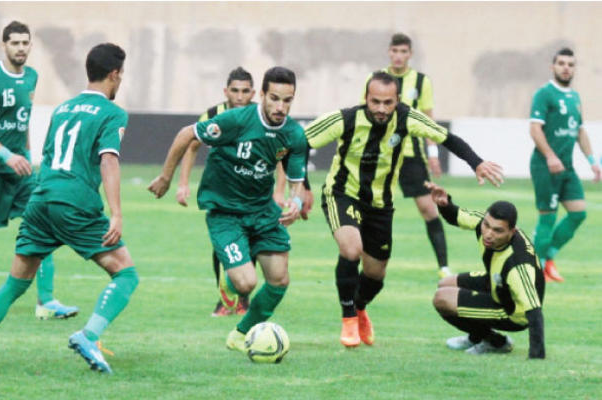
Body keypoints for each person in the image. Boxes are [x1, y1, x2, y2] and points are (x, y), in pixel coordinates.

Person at [0, 43, 138, 374]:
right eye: (122, 74)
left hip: (40, 199)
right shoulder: (113, 113)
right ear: (114, 74)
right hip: (75, 201)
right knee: (126, 273)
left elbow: (50, 154)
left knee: (15, 282)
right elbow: (108, 160)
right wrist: (116, 213)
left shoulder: (63, 109)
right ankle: (88, 336)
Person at [305, 71, 503, 348]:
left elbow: (446, 138)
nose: (381, 108)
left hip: (380, 204)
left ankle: (360, 308)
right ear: (366, 98)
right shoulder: (346, 119)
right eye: (375, 102)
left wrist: (476, 162)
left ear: (397, 100)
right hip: (342, 194)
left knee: (376, 275)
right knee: (351, 249)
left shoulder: (407, 117)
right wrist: (302, 186)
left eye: (388, 102)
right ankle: (348, 317)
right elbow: (300, 142)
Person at [149, 66, 307, 352]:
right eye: (274, 98)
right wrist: (166, 178)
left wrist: (295, 203)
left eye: (287, 100)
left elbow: (297, 182)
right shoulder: (237, 120)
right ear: (262, 95)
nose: (280, 107)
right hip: (226, 213)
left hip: (262, 212)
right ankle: (231, 277)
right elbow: (186, 135)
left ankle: (240, 334)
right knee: (246, 284)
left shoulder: (294, 134)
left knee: (279, 281)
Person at [0, 21, 78, 320]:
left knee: (44, 225)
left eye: (25, 43)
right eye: (15, 43)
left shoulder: (31, 77)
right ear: (3, 45)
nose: (21, 48)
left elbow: (22, 119)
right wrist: (6, 154)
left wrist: (26, 155)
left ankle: (46, 301)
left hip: (21, 170)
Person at [361, 33, 450, 278]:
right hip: (381, 155)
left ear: (410, 54)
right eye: (395, 51)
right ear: (389, 52)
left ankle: (443, 267)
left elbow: (429, 120)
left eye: (403, 52)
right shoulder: (375, 79)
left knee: (429, 210)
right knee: (367, 207)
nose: (398, 56)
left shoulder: (421, 81)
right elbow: (364, 114)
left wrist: (433, 153)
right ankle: (363, 260)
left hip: (411, 154)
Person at [427, 181, 545, 359]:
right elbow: (457, 216)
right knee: (444, 283)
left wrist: (537, 356)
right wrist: (444, 204)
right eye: (486, 225)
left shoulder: (518, 264)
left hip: (513, 310)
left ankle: (495, 342)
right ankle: (477, 337)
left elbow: (534, 311)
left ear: (512, 232)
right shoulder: (484, 223)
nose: (488, 234)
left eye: (497, 231)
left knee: (441, 299)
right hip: (497, 282)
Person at [175, 66, 256, 317]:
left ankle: (243, 298)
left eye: (245, 91)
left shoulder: (259, 116)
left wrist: (279, 190)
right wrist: (183, 183)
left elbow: (280, 154)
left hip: (252, 190)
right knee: (224, 245)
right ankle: (225, 299)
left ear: (253, 93)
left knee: (250, 242)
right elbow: (192, 146)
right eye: (235, 90)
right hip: (221, 191)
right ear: (225, 91)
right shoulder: (212, 115)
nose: (240, 96)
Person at [529, 47, 601, 283]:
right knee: (548, 218)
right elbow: (535, 129)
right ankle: (536, 269)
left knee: (578, 213)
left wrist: (593, 162)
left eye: (570, 64)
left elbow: (580, 131)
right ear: (553, 67)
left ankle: (548, 257)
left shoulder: (575, 97)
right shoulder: (544, 94)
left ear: (574, 68)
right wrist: (550, 156)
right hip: (545, 166)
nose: (566, 68)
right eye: (561, 63)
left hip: (567, 168)